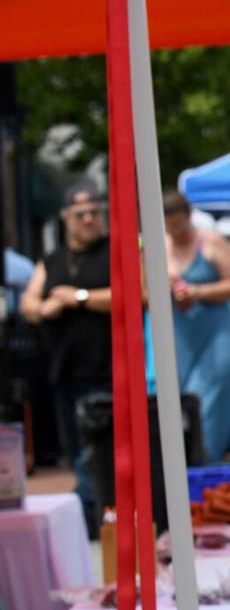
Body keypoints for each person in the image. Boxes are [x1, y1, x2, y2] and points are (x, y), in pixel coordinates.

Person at [19, 182, 110, 529]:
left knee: (94, 454)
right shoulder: (54, 259)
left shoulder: (114, 251)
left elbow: (138, 295)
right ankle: (90, 516)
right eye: (81, 214)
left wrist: (81, 297)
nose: (89, 219)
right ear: (66, 218)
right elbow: (29, 303)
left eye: (94, 212)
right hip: (63, 372)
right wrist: (46, 307)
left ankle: (89, 519)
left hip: (104, 372)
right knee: (76, 454)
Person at [160, 192, 230, 463]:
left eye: (181, 223)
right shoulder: (157, 245)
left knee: (207, 405)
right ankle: (186, 473)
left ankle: (203, 469)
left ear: (189, 217)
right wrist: (169, 290)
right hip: (180, 337)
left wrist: (196, 290)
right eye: (171, 225)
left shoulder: (211, 241)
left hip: (216, 336)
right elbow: (144, 293)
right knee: (180, 405)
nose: (177, 231)